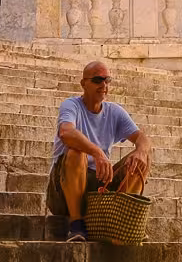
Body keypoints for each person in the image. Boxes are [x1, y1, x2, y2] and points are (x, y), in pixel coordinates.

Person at [47, 60, 152, 242]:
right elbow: (66, 132)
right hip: (63, 190)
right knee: (76, 153)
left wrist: (140, 152)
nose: (104, 85)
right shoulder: (71, 105)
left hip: (98, 186)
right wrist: (96, 152)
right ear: (83, 83)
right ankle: (76, 225)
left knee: (140, 161)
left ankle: (121, 221)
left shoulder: (115, 111)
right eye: (97, 80)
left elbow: (142, 138)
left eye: (107, 80)